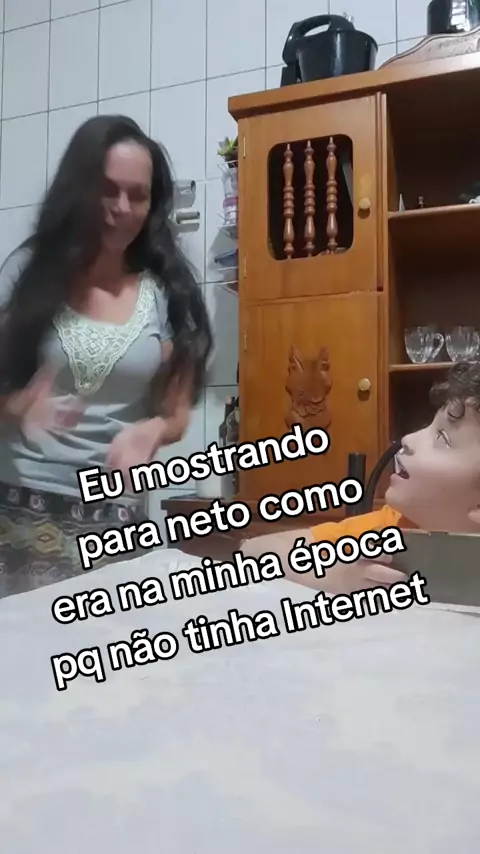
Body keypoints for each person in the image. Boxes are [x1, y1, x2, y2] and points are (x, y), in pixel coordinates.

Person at [0, 114, 212, 597]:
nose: (121, 208)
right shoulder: (26, 273)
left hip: (116, 517)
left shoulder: (165, 292)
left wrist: (154, 429)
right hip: (17, 512)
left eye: (137, 195)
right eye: (108, 190)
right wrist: (18, 406)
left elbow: (176, 412)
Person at [242, 360, 480, 593]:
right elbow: (253, 550)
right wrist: (335, 574)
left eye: (442, 438)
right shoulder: (392, 526)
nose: (407, 439)